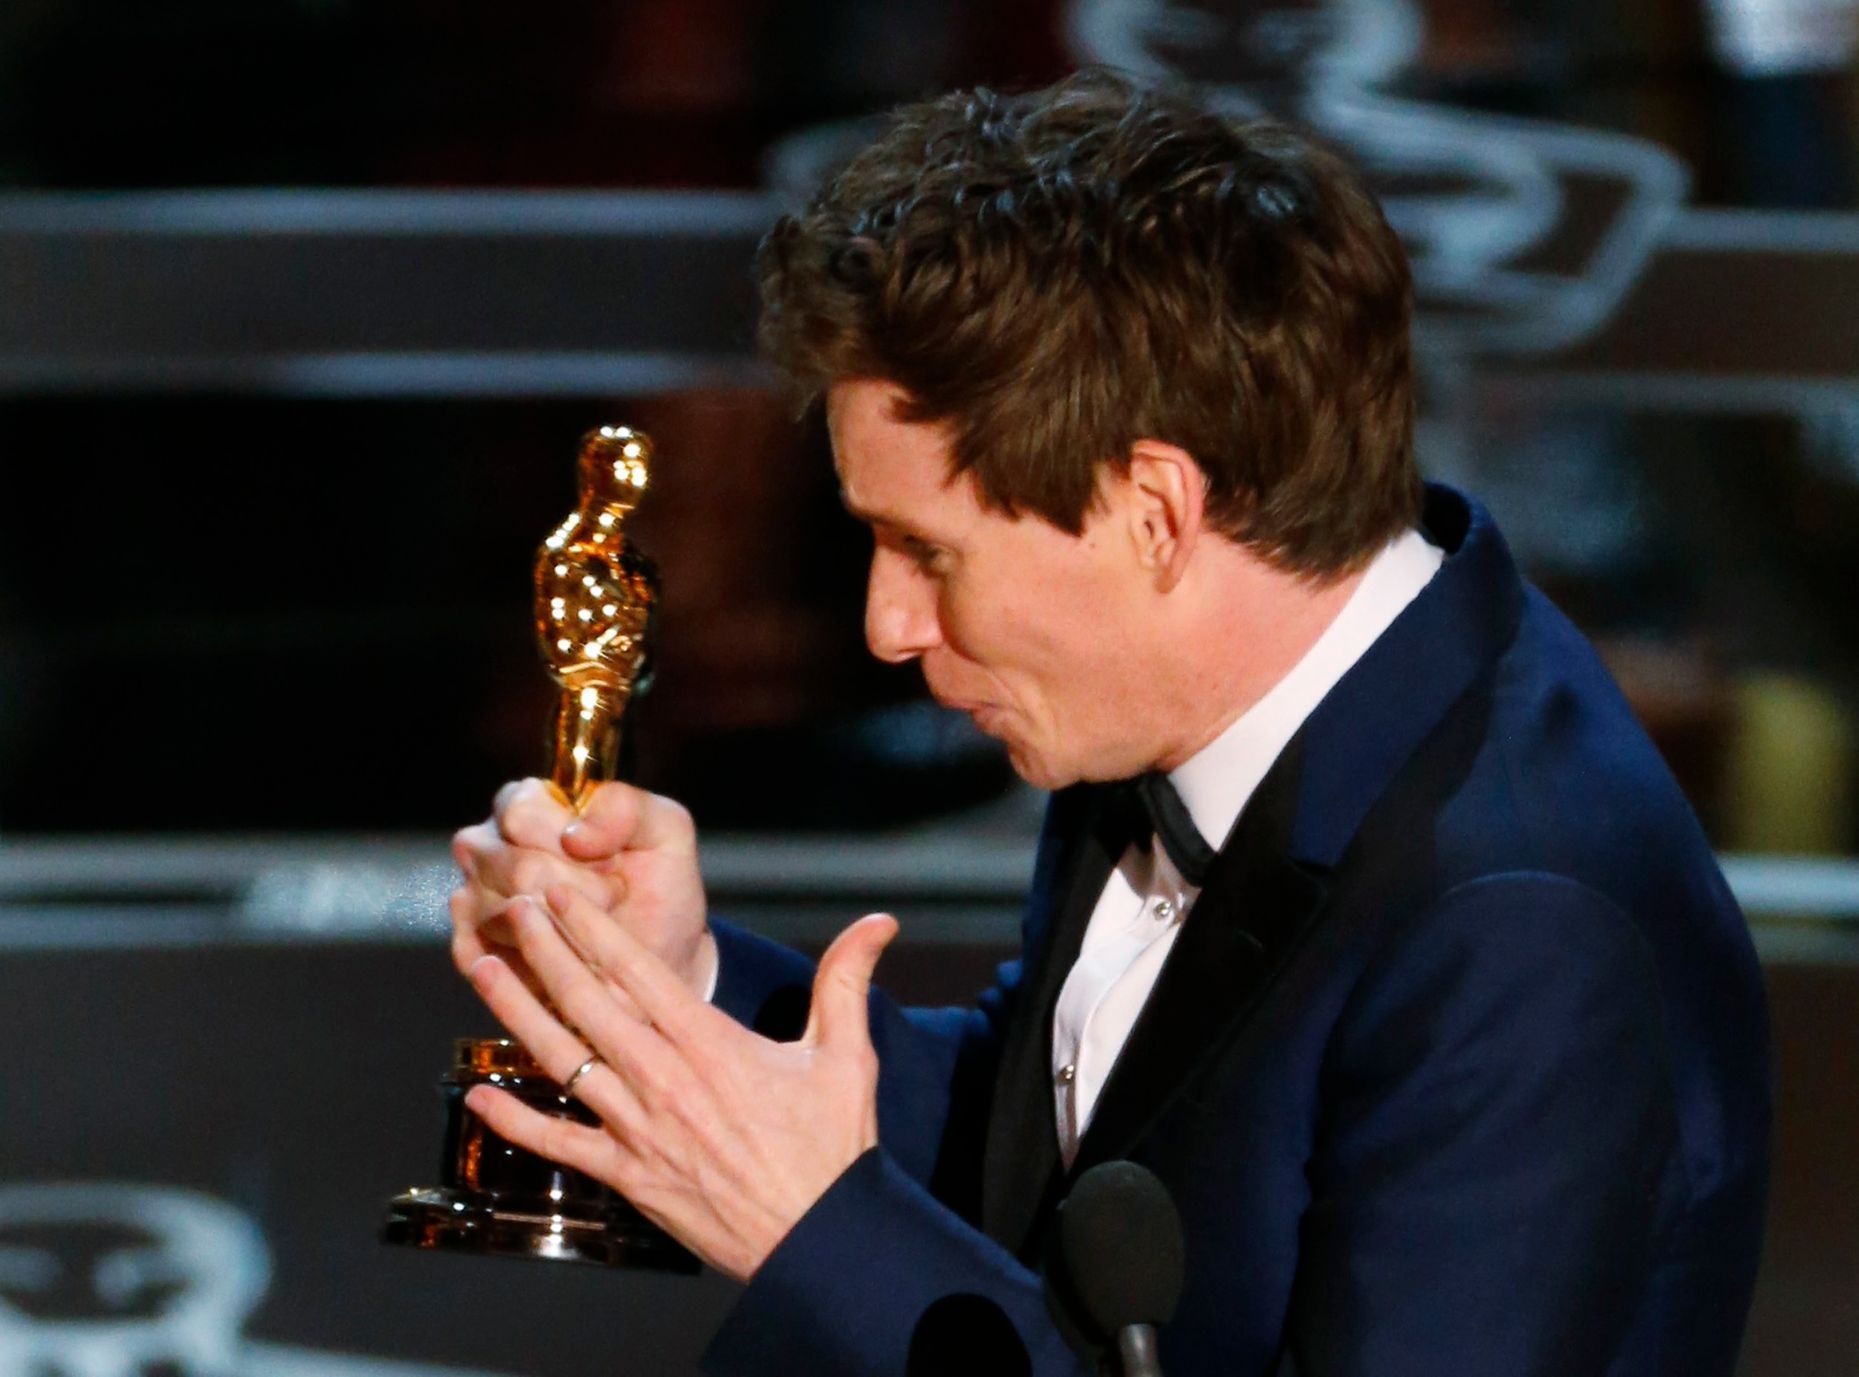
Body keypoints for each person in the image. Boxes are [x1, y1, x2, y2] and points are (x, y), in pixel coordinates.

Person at [448, 69, 1770, 1376]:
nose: (888, 624)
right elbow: (1074, 1146)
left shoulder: (1526, 933)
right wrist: (694, 996)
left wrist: (821, 1235)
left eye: (927, 548)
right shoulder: (1209, 703)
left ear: (1154, 511)